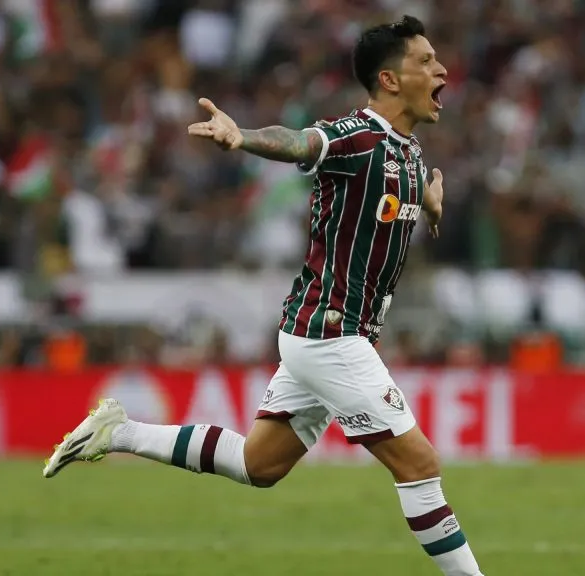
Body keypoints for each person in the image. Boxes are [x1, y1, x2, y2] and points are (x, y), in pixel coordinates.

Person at [42, 16, 484, 576]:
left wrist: (431, 202)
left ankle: (118, 430)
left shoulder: (412, 155)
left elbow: (397, 195)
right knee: (419, 464)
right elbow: (301, 141)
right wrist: (242, 136)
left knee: (260, 464)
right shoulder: (355, 135)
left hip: (324, 334)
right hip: (332, 333)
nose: (441, 68)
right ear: (389, 80)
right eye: (425, 60)